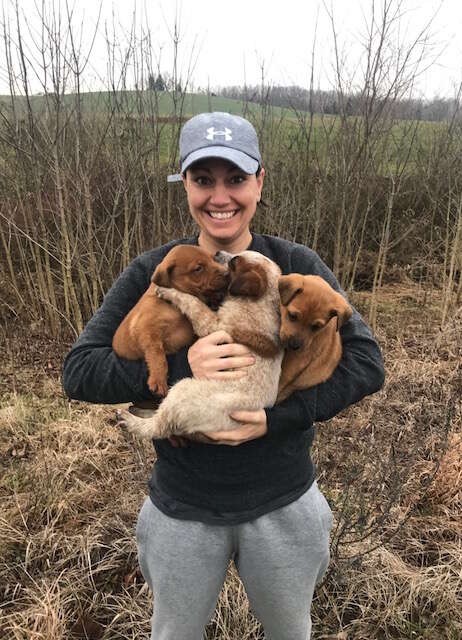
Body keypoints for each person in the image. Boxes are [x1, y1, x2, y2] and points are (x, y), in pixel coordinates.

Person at [63, 112, 384, 640]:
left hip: (283, 502)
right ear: (184, 185)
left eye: (235, 179)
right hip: (183, 508)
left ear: (259, 181)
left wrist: (277, 418)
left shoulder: (295, 264)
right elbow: (78, 373)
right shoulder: (161, 268)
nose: (220, 196)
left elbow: (367, 363)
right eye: (203, 179)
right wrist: (182, 363)